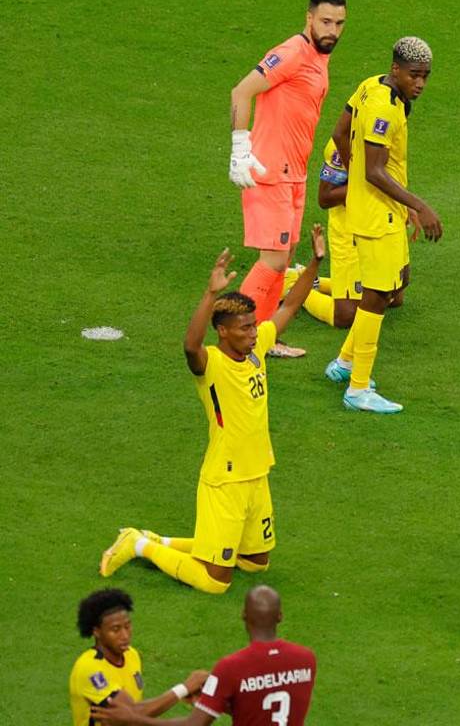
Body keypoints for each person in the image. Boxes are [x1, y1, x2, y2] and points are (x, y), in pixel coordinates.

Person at [98, 229, 326, 594]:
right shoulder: (212, 365)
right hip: (225, 480)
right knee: (214, 582)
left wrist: (315, 262)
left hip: (258, 473)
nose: (254, 333)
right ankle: (137, 544)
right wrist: (210, 294)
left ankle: (166, 540)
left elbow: (289, 307)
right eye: (244, 328)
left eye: (253, 325)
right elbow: (190, 345)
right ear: (222, 332)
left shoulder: (257, 349)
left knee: (255, 562)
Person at [320, 36, 443, 414]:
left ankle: (343, 363)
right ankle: (358, 388)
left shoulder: (372, 84)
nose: (420, 83)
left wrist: (354, 171)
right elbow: (375, 171)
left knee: (394, 285)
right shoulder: (384, 110)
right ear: (396, 70)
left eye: (425, 76)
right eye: (414, 76)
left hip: (378, 208)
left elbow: (340, 132)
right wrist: (418, 205)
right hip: (378, 214)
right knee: (376, 297)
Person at [228, 0, 346, 356]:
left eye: (340, 24)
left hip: (294, 174)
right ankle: (235, 341)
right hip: (270, 172)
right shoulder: (292, 53)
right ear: (308, 18)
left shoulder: (318, 56)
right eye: (326, 21)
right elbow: (241, 92)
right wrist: (239, 149)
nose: (333, 31)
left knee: (284, 254)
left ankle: (265, 337)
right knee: (274, 260)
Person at [91, 585, 317, 726]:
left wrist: (134, 720)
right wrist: (218, 699)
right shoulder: (306, 660)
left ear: (243, 615)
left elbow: (194, 725)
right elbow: (266, 696)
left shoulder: (231, 668)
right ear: (280, 616)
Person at [295, 138, 419, 330]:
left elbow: (390, 175)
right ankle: (295, 284)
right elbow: (325, 197)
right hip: (349, 230)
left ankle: (316, 282)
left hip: (382, 222)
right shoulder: (342, 145)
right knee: (347, 316)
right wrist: (370, 184)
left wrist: (404, 204)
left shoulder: (388, 126)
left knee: (393, 297)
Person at [69, 588, 207, 726]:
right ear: (97, 632)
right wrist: (184, 688)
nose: (125, 635)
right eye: (115, 629)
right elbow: (132, 715)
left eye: (127, 626)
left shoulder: (131, 655)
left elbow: (134, 712)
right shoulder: (90, 668)